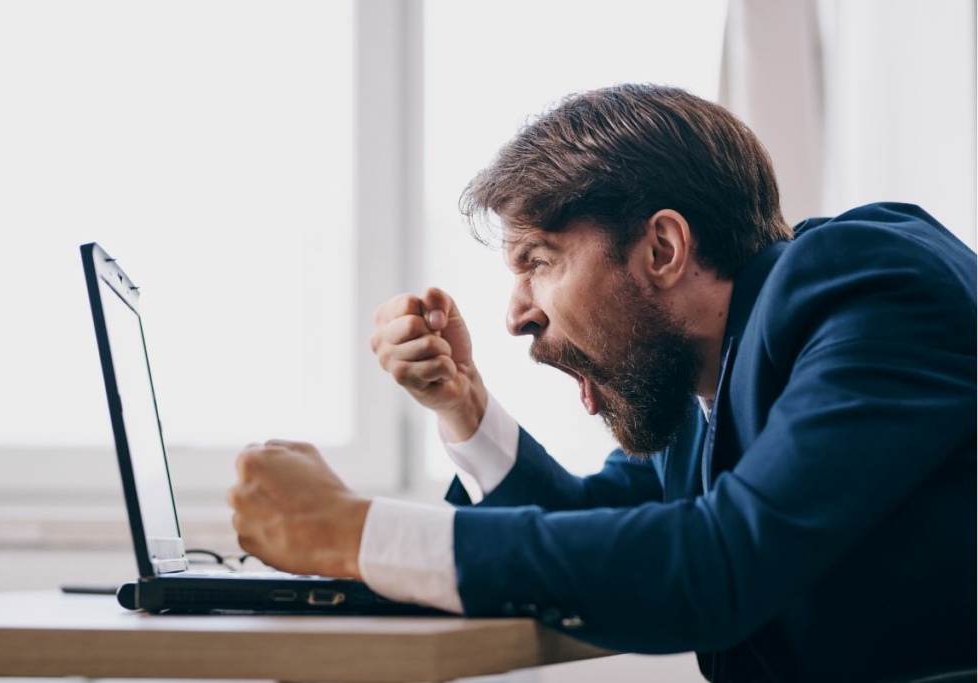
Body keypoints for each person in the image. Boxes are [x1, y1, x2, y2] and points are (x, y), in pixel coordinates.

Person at [226, 84, 977, 682]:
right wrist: (464, 406)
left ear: (662, 248)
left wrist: (357, 533)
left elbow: (719, 565)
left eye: (539, 260)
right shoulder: (704, 382)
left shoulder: (873, 287)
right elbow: (591, 523)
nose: (517, 316)